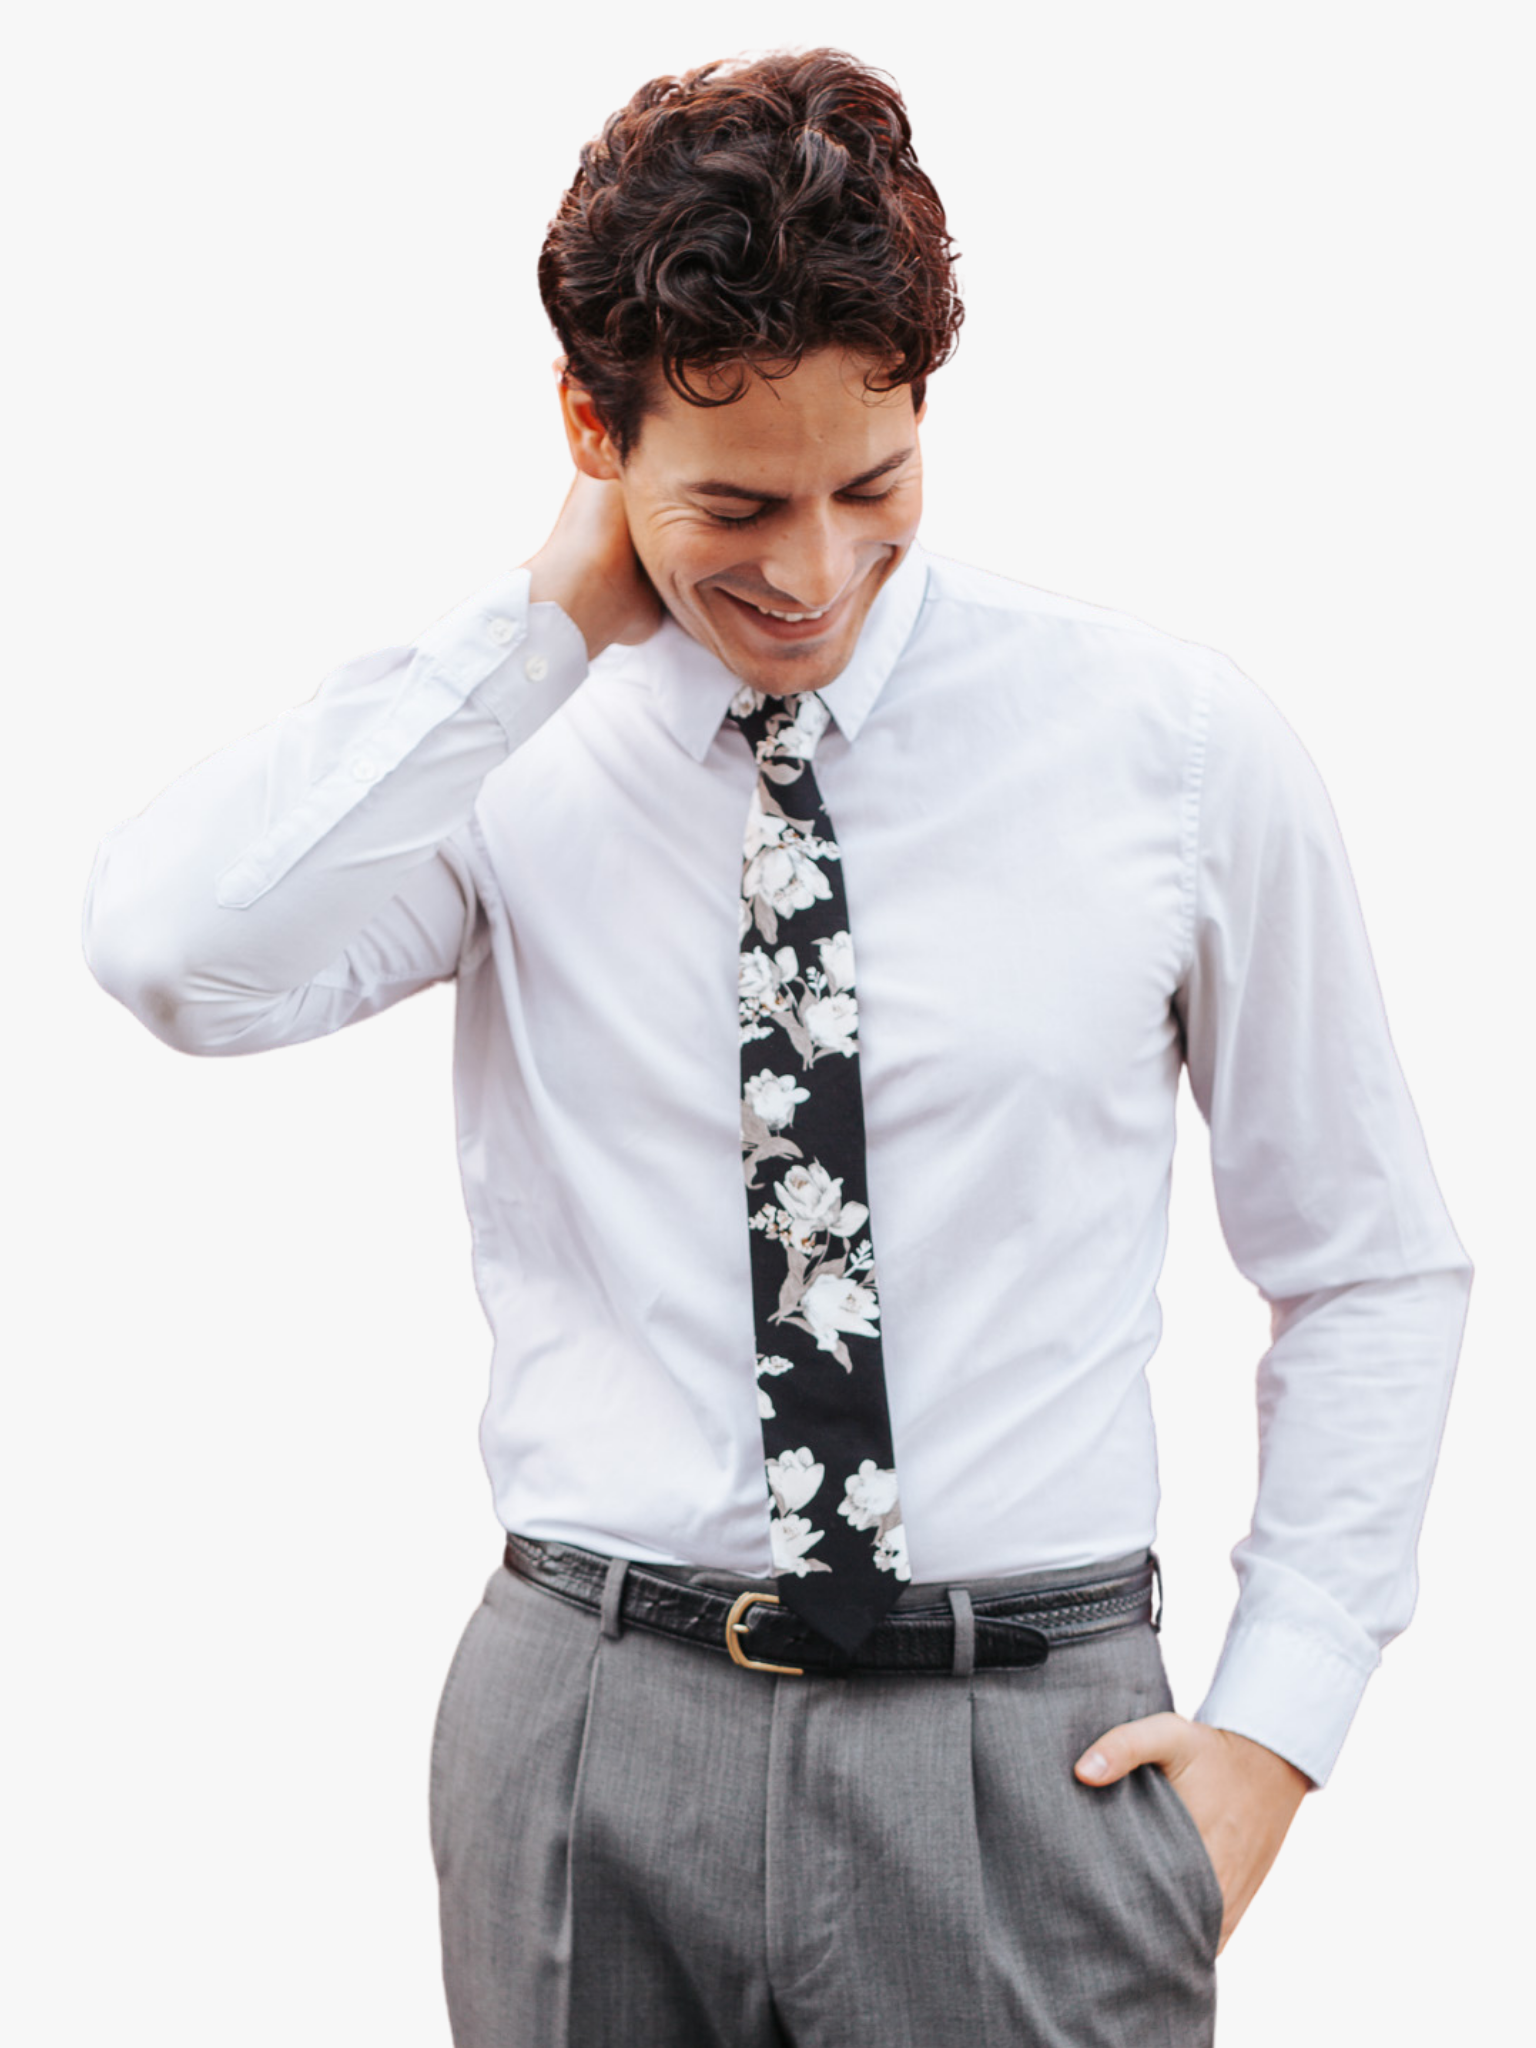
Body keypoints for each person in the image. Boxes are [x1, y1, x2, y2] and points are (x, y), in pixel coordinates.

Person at [82, 47, 1471, 2048]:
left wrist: (1277, 1726)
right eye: (735, 504)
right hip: (585, 1738)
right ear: (588, 427)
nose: (813, 573)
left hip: (1018, 1761)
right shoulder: (506, 756)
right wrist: (543, 626)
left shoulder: (1171, 751)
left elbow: (1366, 1262)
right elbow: (178, 956)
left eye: (872, 487)